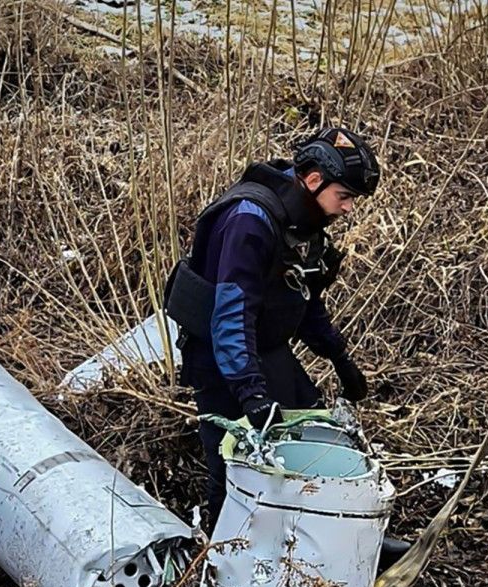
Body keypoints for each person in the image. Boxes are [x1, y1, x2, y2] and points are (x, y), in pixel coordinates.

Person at [164, 127, 398, 550]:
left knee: (315, 439)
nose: (347, 209)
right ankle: (224, 560)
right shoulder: (249, 223)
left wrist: (339, 357)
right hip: (221, 360)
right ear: (313, 181)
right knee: (231, 468)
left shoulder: (303, 224)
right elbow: (230, 316)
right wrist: (251, 394)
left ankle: (340, 545)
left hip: (267, 350)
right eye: (343, 197)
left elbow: (302, 300)